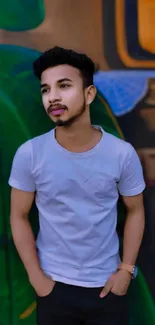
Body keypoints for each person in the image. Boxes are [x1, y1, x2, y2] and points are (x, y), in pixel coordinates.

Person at [9, 46, 145, 325]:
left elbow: (136, 211)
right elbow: (18, 215)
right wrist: (38, 281)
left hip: (108, 288)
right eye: (46, 89)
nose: (53, 97)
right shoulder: (30, 153)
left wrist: (126, 271)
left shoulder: (121, 153)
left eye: (64, 85)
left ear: (89, 94)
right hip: (54, 288)